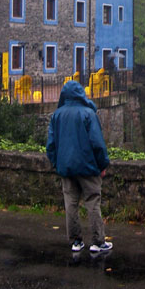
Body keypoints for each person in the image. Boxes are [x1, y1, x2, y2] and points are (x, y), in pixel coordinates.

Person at [46, 80, 112, 254]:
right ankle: (98, 242)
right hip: (88, 167)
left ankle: (76, 241)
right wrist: (102, 165)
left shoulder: (57, 115)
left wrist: (56, 163)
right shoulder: (89, 114)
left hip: (66, 168)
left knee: (71, 204)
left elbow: (51, 146)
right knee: (92, 202)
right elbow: (97, 143)